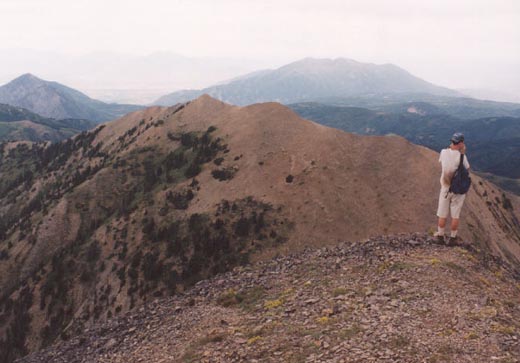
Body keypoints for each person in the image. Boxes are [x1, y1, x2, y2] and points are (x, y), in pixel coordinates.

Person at [435, 132, 470, 246]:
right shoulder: (462, 157)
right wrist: (462, 152)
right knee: (455, 214)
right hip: (457, 190)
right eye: (462, 142)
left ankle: (440, 236)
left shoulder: (443, 152)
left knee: (442, 213)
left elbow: (442, 162)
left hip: (445, 187)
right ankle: (452, 238)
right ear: (460, 143)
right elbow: (467, 168)